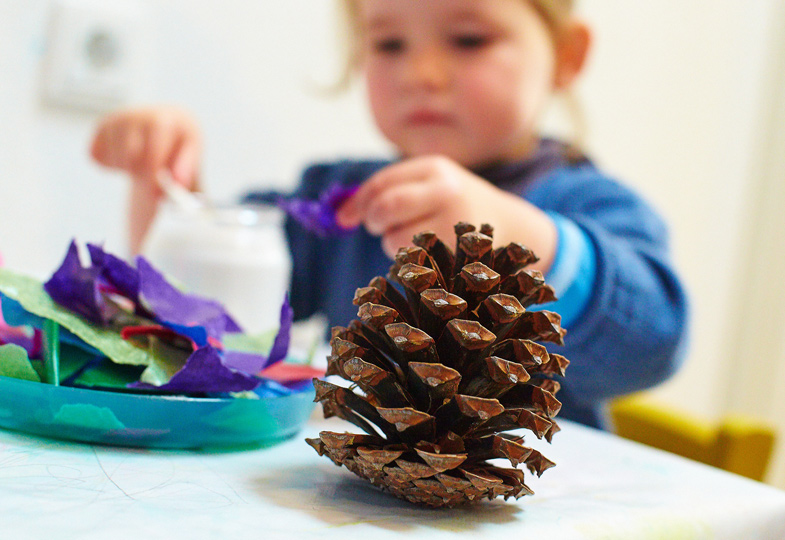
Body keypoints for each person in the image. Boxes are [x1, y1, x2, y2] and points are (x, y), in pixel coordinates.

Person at [90, 0, 688, 429]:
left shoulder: (588, 206)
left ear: (565, 55)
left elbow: (655, 343)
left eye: (470, 38)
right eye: (388, 43)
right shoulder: (343, 197)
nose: (421, 74)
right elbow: (204, 311)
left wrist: (525, 240)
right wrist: (168, 186)